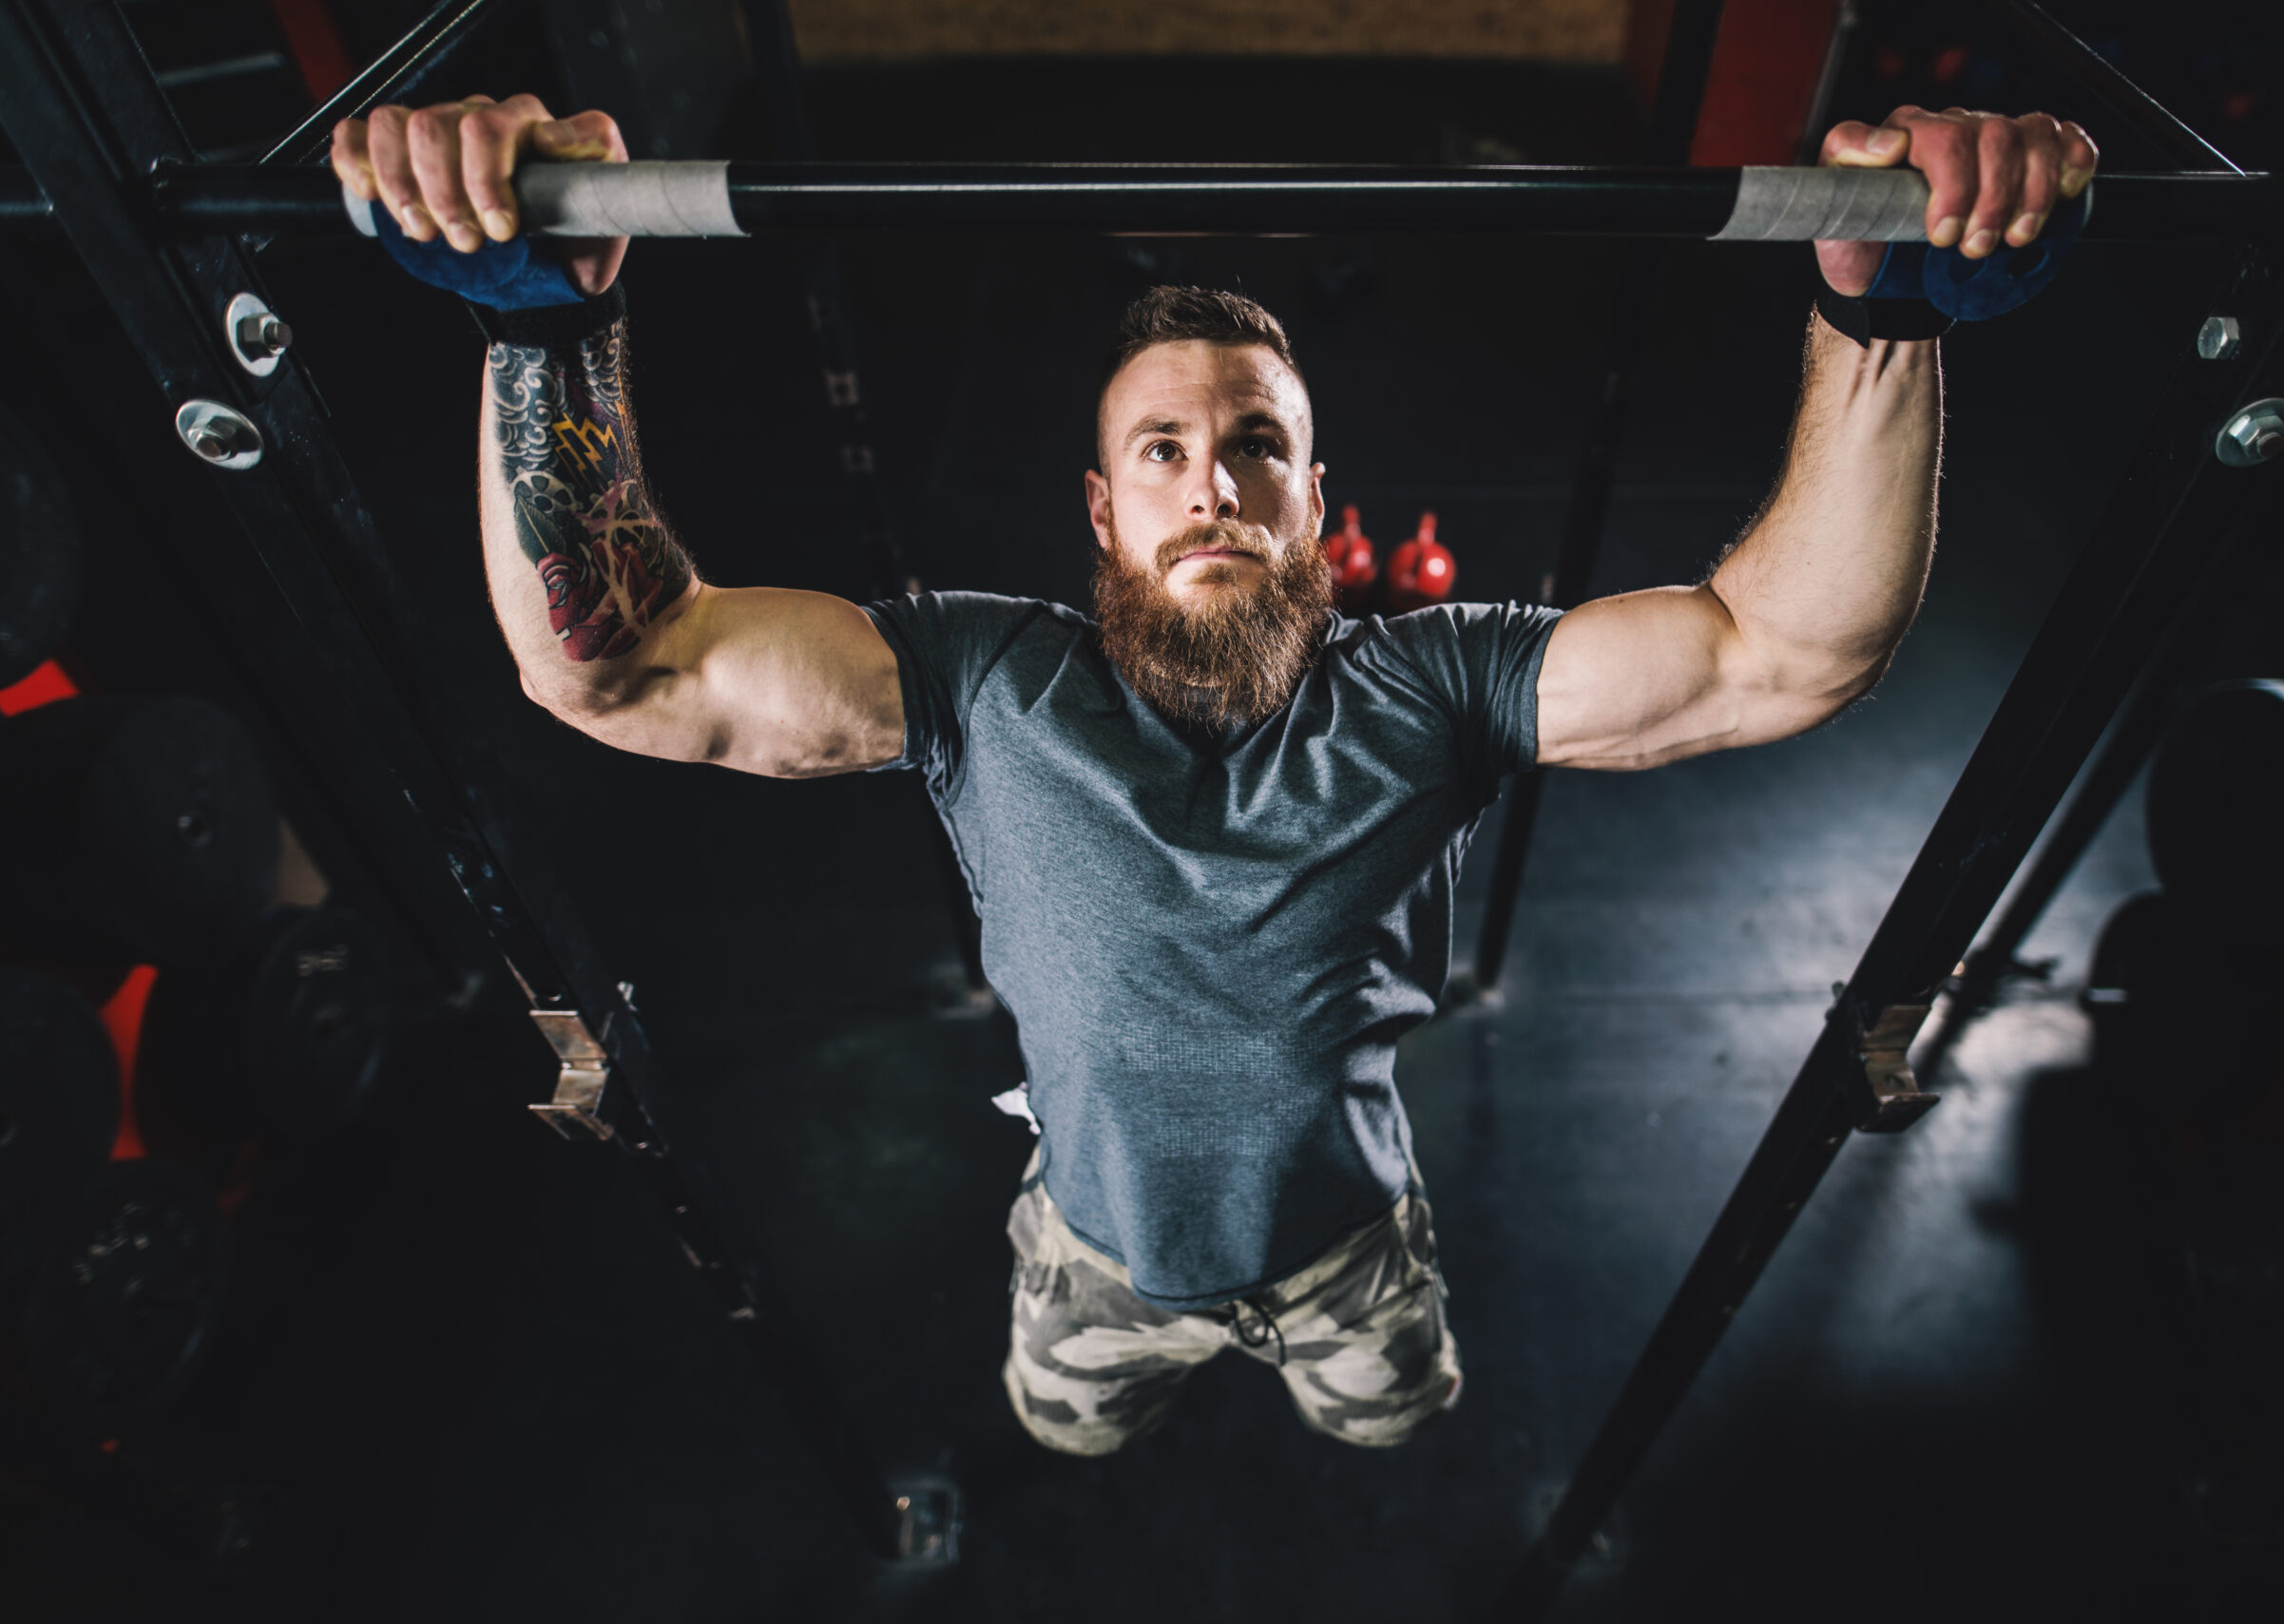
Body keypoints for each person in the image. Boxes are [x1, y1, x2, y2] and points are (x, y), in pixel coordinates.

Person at [334, 95, 2096, 1456]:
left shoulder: (1430, 685)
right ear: (1101, 510)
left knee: (1395, 1418)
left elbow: (1783, 651)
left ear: (1317, 505)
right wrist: (539, 333)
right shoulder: (983, 685)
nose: (1214, 484)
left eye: (1258, 445)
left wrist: (1891, 327)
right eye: (1162, 450)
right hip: (1092, 1263)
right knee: (1058, 1421)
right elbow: (622, 662)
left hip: (1354, 1256)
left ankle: (1358, 1393)